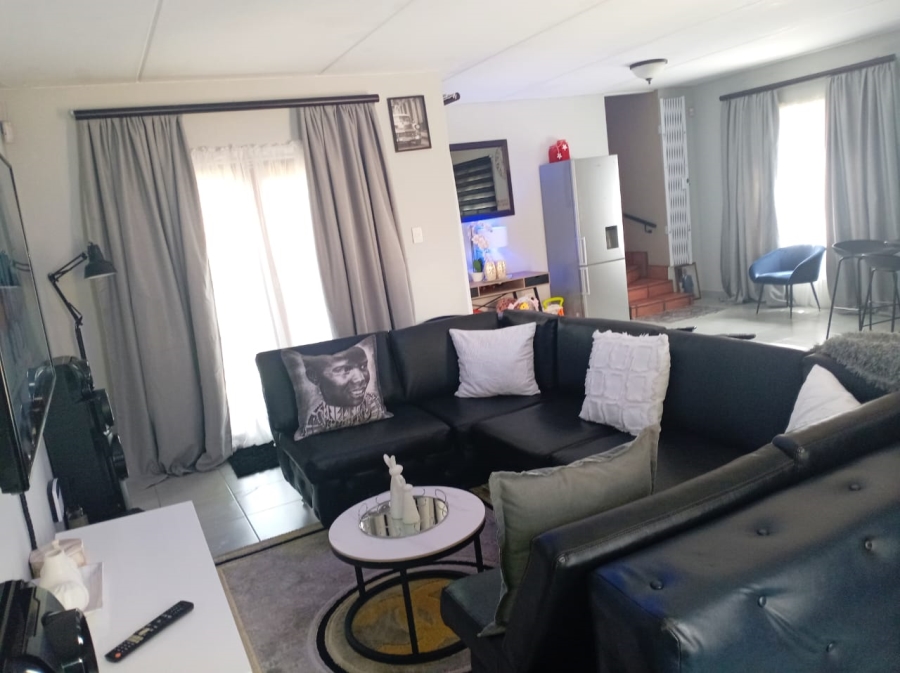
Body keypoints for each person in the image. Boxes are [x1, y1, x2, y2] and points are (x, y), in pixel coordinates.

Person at [302, 346, 387, 434]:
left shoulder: (373, 404)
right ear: (314, 376)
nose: (360, 379)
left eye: (363, 366)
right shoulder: (317, 421)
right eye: (345, 369)